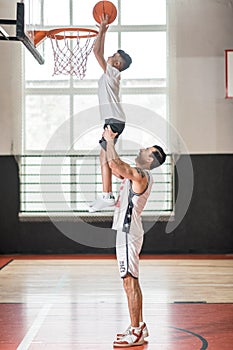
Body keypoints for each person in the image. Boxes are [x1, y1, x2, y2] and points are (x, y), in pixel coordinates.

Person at [102, 126, 167, 347]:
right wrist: (107, 144)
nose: (141, 149)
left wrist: (110, 140)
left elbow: (117, 164)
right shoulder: (134, 175)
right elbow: (113, 166)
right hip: (127, 231)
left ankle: (136, 332)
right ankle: (138, 325)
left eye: (146, 150)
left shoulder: (141, 175)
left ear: (151, 160)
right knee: (131, 281)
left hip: (129, 232)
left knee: (129, 281)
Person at [89, 14, 132, 212]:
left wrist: (102, 29)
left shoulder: (113, 73)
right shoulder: (110, 74)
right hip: (113, 120)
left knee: (107, 159)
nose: (111, 55)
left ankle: (109, 193)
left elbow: (96, 51)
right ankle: (112, 190)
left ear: (116, 64)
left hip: (114, 121)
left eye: (114, 55)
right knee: (105, 159)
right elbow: (99, 51)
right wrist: (103, 31)